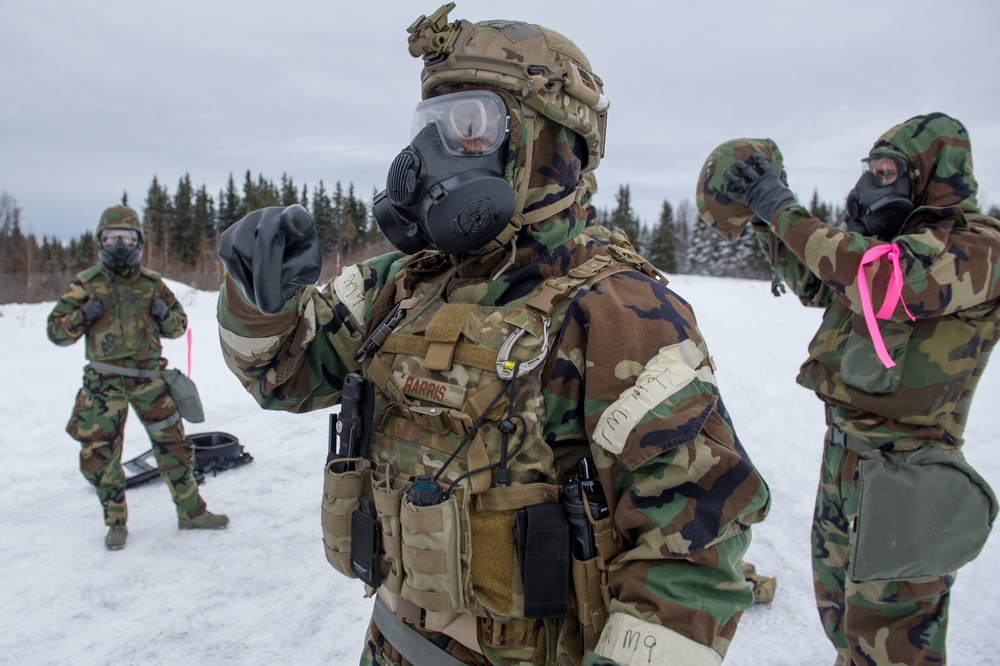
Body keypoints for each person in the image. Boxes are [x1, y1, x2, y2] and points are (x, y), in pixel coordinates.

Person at [216, 5, 770, 665]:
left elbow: (692, 557)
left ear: (550, 143)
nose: (428, 155)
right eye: (429, 126)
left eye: (468, 124)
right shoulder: (403, 283)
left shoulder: (621, 313)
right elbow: (282, 373)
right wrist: (260, 299)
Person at [720, 112, 1000, 665]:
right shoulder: (885, 247)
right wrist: (764, 218)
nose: (874, 181)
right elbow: (816, 281)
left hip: (908, 479)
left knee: (894, 645)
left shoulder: (978, 249)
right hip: (846, 464)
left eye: (888, 169)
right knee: (844, 624)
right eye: (871, 168)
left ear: (930, 173)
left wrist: (780, 205)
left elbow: (884, 284)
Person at [47, 205, 229, 551]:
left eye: (126, 237)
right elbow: (56, 332)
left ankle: (192, 513)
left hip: (149, 381)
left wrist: (164, 315)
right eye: (112, 237)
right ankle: (116, 522)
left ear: (138, 241)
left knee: (174, 448)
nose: (119, 244)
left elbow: (179, 326)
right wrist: (82, 315)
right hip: (103, 383)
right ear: (101, 241)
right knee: (101, 456)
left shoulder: (151, 284)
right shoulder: (86, 284)